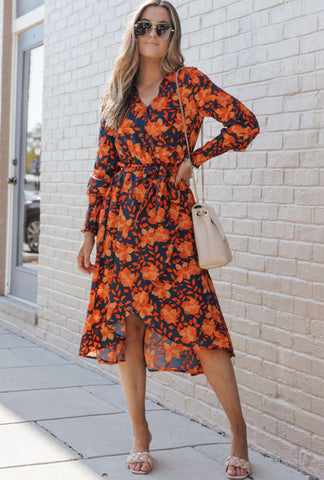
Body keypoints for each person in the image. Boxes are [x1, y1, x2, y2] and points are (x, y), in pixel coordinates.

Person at [77, 0, 259, 477]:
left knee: (204, 328)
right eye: (145, 25)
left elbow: (245, 123)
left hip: (173, 225)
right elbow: (103, 169)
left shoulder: (189, 84)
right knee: (131, 327)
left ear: (173, 34)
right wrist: (89, 233)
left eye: (163, 26)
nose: (153, 32)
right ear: (133, 32)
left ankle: (239, 434)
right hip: (121, 226)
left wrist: (196, 158)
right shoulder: (117, 91)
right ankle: (141, 433)